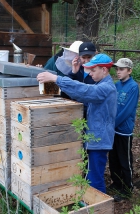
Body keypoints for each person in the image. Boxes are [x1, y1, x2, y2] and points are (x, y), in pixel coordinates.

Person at [36, 54, 117, 193]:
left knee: (95, 180)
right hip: (93, 140)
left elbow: (86, 91)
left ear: (104, 70)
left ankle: (97, 207)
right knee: (89, 176)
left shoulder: (106, 88)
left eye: (93, 70)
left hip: (98, 142)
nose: (90, 73)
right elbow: (80, 93)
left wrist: (56, 78)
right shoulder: (100, 85)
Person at [108, 58, 140, 202]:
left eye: (121, 69)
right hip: (113, 129)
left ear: (129, 70)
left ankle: (127, 189)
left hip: (124, 131)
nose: (118, 72)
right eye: (117, 69)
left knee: (124, 160)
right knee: (113, 159)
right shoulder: (116, 85)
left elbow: (127, 110)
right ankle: (117, 183)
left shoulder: (133, 87)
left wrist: (112, 124)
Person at [68, 42, 97, 118]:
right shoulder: (76, 70)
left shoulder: (98, 73)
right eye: (84, 58)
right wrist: (73, 72)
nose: (86, 61)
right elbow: (66, 89)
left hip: (92, 113)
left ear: (94, 56)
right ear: (79, 57)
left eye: (89, 57)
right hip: (76, 111)